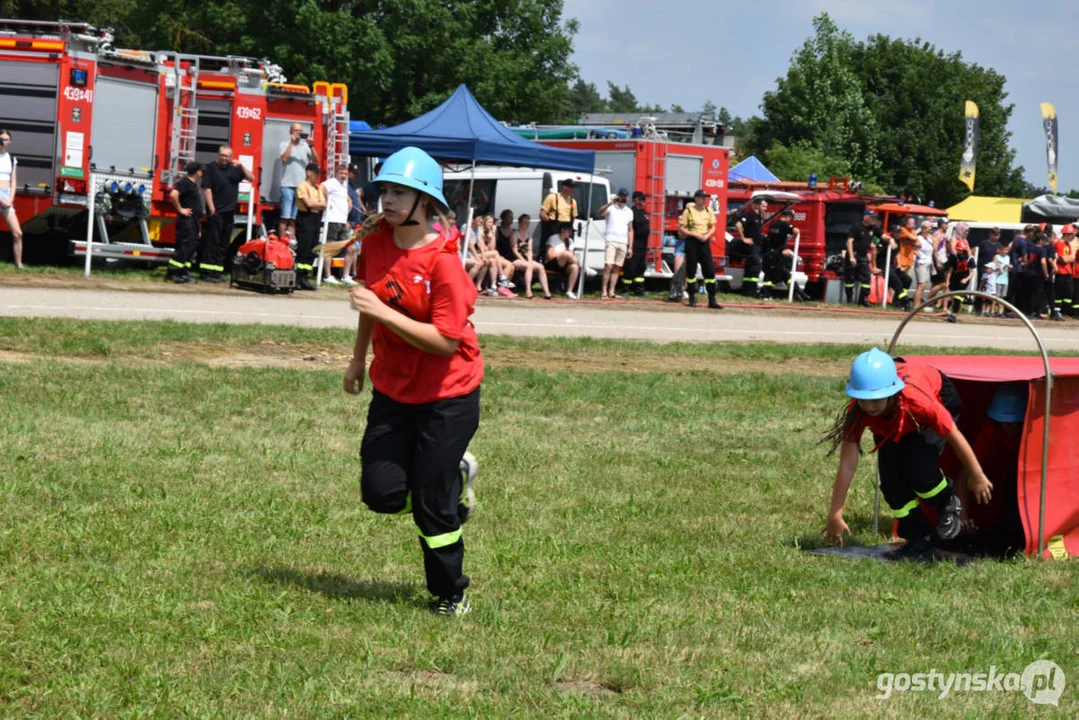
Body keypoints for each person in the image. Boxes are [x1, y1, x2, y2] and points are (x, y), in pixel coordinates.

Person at [343, 146, 483, 618]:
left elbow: (445, 342)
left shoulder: (444, 264)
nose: (389, 199)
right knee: (380, 494)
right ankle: (454, 475)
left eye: (401, 192)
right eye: (385, 190)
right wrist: (357, 360)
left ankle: (451, 594)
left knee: (431, 504)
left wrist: (380, 311)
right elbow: (369, 303)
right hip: (394, 389)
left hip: (449, 395)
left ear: (426, 202)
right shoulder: (377, 244)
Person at [822, 349, 992, 561]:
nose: (870, 406)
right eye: (864, 399)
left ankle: (947, 501)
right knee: (891, 485)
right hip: (893, 425)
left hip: (939, 398)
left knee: (919, 470)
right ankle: (918, 538)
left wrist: (977, 475)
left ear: (892, 393)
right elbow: (847, 464)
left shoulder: (920, 402)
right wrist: (835, 514)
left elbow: (954, 437)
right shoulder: (858, 411)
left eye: (876, 399)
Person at [956, 384, 1027, 556]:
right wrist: (963, 518)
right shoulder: (991, 429)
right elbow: (964, 475)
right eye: (1002, 421)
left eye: (1012, 422)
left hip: (1026, 479)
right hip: (1002, 476)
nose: (1007, 426)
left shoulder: (1033, 430)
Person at [200, 144, 254, 282]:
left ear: (231, 157)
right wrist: (211, 208)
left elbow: (251, 178)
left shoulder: (235, 169)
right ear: (218, 155)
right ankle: (206, 272)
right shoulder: (211, 168)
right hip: (216, 211)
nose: (224, 158)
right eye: (222, 155)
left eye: (227, 156)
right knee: (212, 242)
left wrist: (241, 166)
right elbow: (207, 189)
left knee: (224, 243)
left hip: (229, 212)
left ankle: (217, 272)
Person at [680, 189, 722, 309]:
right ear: (696, 198)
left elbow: (713, 226)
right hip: (692, 241)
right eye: (702, 197)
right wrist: (694, 234)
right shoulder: (688, 211)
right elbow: (682, 228)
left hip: (704, 241)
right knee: (691, 270)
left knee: (709, 270)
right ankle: (692, 298)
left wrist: (707, 235)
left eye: (705, 198)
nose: (704, 200)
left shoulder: (708, 210)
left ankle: (712, 299)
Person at [278, 123, 319, 238]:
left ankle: (290, 244)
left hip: (301, 187)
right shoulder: (284, 144)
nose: (298, 133)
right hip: (287, 185)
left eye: (300, 131)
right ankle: (281, 244)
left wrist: (311, 146)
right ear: (290, 132)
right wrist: (292, 143)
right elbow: (284, 158)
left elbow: (316, 159)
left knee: (293, 219)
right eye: (296, 131)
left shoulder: (305, 146)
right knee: (285, 217)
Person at [167, 162, 203, 284]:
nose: (202, 172)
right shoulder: (185, 182)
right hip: (186, 222)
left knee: (191, 247)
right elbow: (173, 194)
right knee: (184, 247)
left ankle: (183, 272)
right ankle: (173, 273)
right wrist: (180, 209)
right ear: (197, 171)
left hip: (193, 222)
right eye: (201, 170)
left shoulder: (192, 184)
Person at [763, 208, 809, 301]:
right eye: (791, 218)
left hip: (770, 254)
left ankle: (798, 294)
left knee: (774, 275)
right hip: (777, 255)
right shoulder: (784, 224)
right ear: (788, 217)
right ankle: (799, 294)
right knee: (784, 274)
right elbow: (796, 231)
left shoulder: (774, 224)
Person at [295, 163, 327, 290]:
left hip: (315, 218)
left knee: (312, 248)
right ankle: (297, 277)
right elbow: (307, 204)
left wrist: (317, 204)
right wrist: (317, 204)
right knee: (304, 247)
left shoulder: (318, 188)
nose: (317, 176)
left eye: (318, 173)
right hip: (305, 217)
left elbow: (324, 204)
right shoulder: (302, 186)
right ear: (308, 172)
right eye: (315, 173)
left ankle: (304, 278)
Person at [321, 163, 354, 286]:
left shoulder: (343, 185)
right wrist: (327, 200)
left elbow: (343, 194)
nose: (344, 176)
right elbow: (322, 187)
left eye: (345, 174)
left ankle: (346, 275)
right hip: (332, 219)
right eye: (341, 173)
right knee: (330, 248)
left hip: (342, 220)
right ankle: (327, 275)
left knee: (351, 248)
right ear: (336, 173)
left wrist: (349, 199)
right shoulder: (332, 182)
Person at [598, 188, 634, 300]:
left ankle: (611, 291)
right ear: (618, 196)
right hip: (611, 240)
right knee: (608, 265)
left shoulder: (629, 211)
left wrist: (630, 247)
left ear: (628, 197)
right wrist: (610, 203)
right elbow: (599, 213)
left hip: (623, 241)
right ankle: (604, 291)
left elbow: (630, 229)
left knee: (617, 267)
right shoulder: (611, 208)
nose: (623, 198)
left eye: (625, 196)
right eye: (621, 196)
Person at [511, 214, 551, 299]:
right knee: (529, 266)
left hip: (526, 259)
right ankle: (528, 291)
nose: (527, 224)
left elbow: (529, 250)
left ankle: (547, 293)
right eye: (525, 222)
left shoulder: (529, 235)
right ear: (520, 223)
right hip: (516, 259)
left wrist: (529, 260)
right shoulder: (514, 234)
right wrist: (524, 261)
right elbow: (514, 250)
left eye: (528, 222)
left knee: (541, 267)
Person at [845, 209, 879, 307]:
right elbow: (849, 242)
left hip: (863, 256)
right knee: (850, 280)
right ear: (865, 217)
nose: (873, 219)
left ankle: (863, 300)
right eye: (872, 217)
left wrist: (891, 240)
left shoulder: (873, 228)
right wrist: (851, 257)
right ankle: (849, 300)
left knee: (866, 277)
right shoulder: (856, 227)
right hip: (854, 255)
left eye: (874, 217)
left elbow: (883, 236)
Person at [733, 197, 766, 298]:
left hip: (756, 246)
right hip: (751, 246)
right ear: (757, 205)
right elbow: (738, 225)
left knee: (750, 268)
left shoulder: (759, 217)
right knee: (756, 267)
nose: (765, 208)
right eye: (763, 206)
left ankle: (746, 290)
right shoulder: (751, 215)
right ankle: (752, 290)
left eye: (766, 206)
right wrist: (743, 238)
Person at [0, 129, 23, 268]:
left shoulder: (11, 158)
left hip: (6, 195)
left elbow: (13, 181)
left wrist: (10, 199)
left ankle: (19, 264)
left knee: (17, 233)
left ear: (10, 141)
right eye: (1, 138)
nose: (3, 141)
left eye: (6, 139)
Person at [622, 190, 650, 297]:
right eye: (642, 199)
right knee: (630, 267)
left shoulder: (644, 213)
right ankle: (625, 289)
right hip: (634, 244)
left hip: (643, 245)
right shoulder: (631, 213)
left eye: (645, 200)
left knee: (641, 267)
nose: (644, 202)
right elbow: (629, 230)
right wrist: (630, 246)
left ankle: (639, 289)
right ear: (636, 200)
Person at [944, 228, 975, 323]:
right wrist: (947, 281)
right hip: (954, 279)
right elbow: (950, 270)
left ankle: (953, 315)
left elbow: (972, 271)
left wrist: (966, 279)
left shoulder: (970, 259)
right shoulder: (954, 257)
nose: (958, 251)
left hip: (963, 280)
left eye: (959, 250)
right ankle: (952, 311)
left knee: (957, 298)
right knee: (953, 297)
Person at [539, 179, 578, 254]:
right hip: (554, 227)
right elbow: (543, 213)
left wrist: (568, 229)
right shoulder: (552, 197)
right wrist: (549, 224)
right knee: (553, 249)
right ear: (564, 187)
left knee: (567, 249)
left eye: (573, 188)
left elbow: (574, 216)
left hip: (567, 227)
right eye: (570, 187)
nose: (572, 190)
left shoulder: (573, 201)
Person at [545, 222, 580, 299]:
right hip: (553, 263)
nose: (570, 233)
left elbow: (571, 256)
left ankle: (569, 291)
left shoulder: (570, 241)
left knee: (574, 267)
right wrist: (561, 254)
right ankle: (582, 267)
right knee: (566, 254)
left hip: (565, 265)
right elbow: (549, 256)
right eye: (569, 231)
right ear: (562, 230)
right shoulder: (553, 238)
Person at [912, 221, 934, 310]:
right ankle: (915, 306)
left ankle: (919, 306)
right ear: (924, 229)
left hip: (928, 263)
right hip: (921, 263)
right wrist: (915, 253)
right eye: (929, 228)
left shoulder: (929, 239)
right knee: (921, 285)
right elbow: (910, 247)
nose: (931, 230)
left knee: (924, 285)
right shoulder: (918, 238)